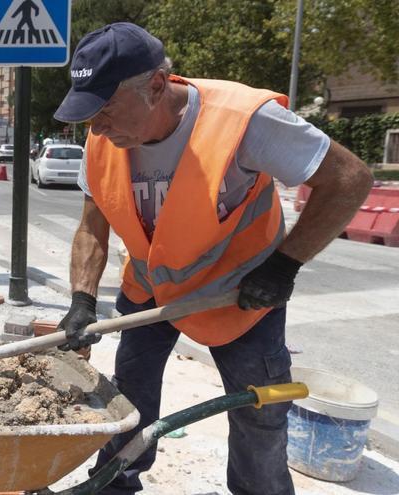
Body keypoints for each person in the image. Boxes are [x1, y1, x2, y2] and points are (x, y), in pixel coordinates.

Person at [53, 23, 372, 495]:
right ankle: (114, 484)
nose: (94, 126)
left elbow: (349, 179)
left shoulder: (243, 120)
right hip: (151, 290)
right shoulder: (105, 139)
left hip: (240, 294)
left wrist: (285, 265)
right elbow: (92, 226)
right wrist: (82, 298)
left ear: (156, 86)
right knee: (128, 402)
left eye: (104, 109)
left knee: (257, 415)